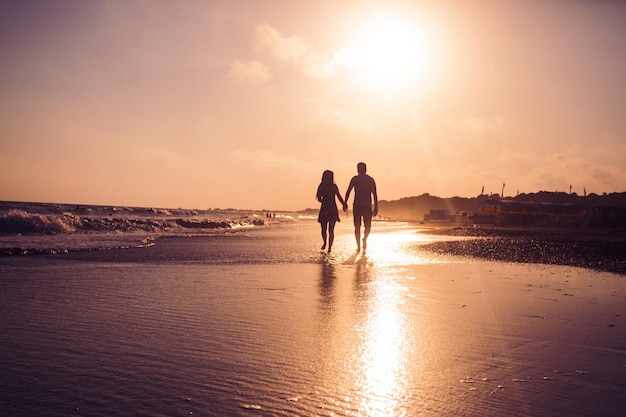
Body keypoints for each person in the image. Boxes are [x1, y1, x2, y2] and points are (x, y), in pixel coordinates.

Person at [344, 162, 378, 252]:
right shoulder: (369, 179)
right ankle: (361, 243)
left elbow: (348, 192)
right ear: (365, 169)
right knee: (367, 226)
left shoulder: (357, 179)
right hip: (364, 205)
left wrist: (345, 203)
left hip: (359, 205)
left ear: (358, 169)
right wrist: (376, 207)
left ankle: (361, 243)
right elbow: (375, 195)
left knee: (358, 226)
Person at [316, 170, 348, 252]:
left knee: (324, 229)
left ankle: (326, 244)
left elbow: (319, 198)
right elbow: (339, 197)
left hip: (325, 208)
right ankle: (328, 246)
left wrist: (324, 201)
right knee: (330, 230)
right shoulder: (332, 186)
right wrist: (344, 204)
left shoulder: (323, 186)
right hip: (332, 208)